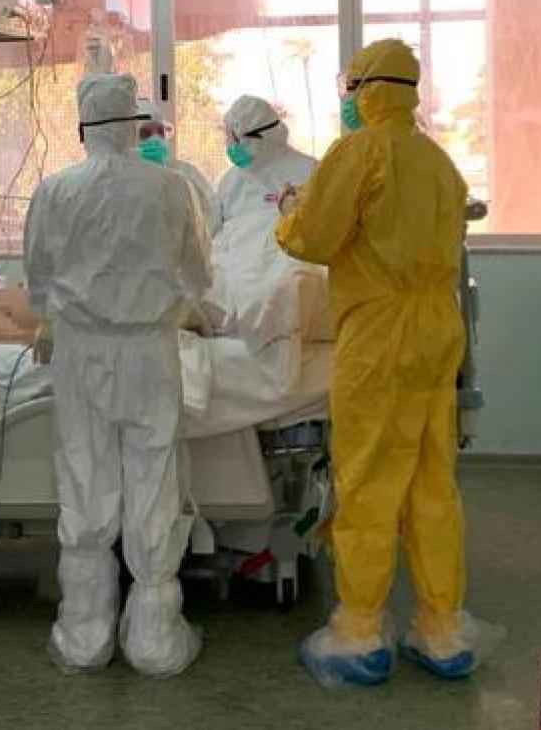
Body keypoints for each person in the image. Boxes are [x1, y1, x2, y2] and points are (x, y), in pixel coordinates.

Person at [275, 39, 493, 688]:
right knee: (432, 478)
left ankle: (360, 633)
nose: (348, 101)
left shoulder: (361, 151)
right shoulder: (437, 159)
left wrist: (288, 214)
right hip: (437, 329)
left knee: (368, 477)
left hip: (379, 332)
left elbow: (314, 237)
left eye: (351, 88)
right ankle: (441, 628)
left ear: (367, 88)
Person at [24, 73, 211, 677]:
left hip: (82, 351)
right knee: (154, 475)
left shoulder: (54, 191)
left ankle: (84, 636)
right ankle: (154, 640)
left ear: (82, 127)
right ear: (135, 125)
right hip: (151, 350)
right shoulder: (173, 188)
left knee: (84, 476)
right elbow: (197, 276)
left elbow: (38, 281)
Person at [215, 96, 317, 239]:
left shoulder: (310, 172)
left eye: (233, 138)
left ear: (257, 137)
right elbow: (215, 233)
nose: (229, 145)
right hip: (236, 260)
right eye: (227, 137)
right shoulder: (229, 182)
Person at [136, 98, 216, 237]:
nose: (155, 139)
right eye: (146, 134)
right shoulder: (122, 181)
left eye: (160, 132)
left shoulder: (187, 173)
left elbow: (212, 218)